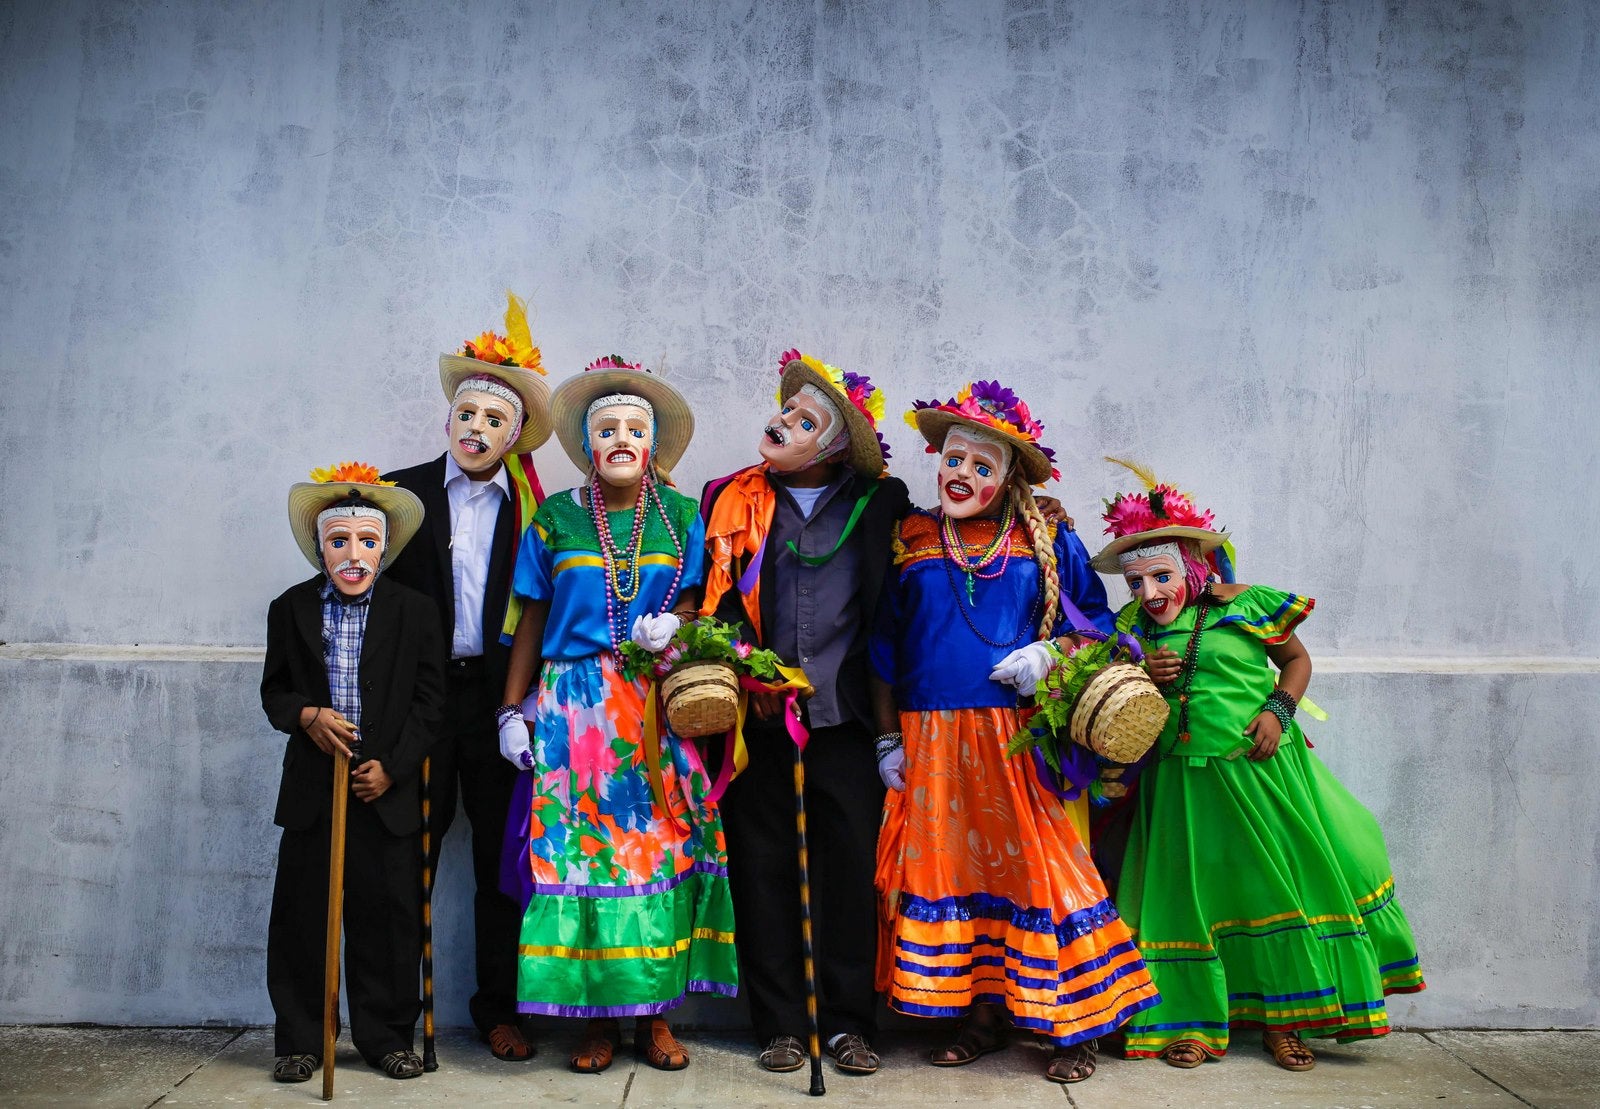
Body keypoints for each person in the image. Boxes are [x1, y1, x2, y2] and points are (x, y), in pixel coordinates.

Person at [870, 382, 1161, 1084]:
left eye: (982, 464)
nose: (961, 474)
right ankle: (982, 1017)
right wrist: (888, 740)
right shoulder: (910, 536)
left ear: (1007, 478)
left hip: (1016, 739)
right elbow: (883, 648)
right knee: (957, 876)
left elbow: (1096, 627)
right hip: (931, 740)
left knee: (1044, 873)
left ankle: (1082, 1021)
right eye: (953, 458)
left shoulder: (1047, 535)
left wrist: (1050, 654)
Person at [1090, 464, 1424, 1071]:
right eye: (1136, 583)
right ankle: (1192, 1021)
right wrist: (1142, 674)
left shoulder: (1247, 607)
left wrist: (1278, 711)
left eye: (1160, 576)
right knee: (1192, 897)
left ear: (1193, 566)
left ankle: (1288, 1022)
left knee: (1275, 888)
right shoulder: (1132, 629)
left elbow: (1296, 660)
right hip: (1180, 789)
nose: (1149, 594)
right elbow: (1117, 694)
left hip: (1256, 774)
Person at [496, 356, 734, 1073]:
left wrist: (678, 625)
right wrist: (513, 709)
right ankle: (594, 1021)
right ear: (589, 444)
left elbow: (696, 599)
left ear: (653, 441)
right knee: (579, 857)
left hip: (652, 707)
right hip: (572, 711)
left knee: (658, 851)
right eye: (607, 429)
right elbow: (533, 613)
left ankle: (654, 1017)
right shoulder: (556, 517)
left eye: (635, 427)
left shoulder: (684, 515)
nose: (621, 438)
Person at [699, 349, 908, 1076]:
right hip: (759, 720)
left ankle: (849, 1022)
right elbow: (716, 597)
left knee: (847, 872)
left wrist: (1041, 511)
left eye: (803, 418)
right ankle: (781, 1023)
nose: (781, 421)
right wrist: (743, 671)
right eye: (784, 410)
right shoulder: (730, 496)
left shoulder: (880, 502)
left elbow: (931, 550)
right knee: (763, 869)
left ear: (834, 443)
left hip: (846, 723)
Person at [383, 293, 550, 1062]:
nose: (478, 428)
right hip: (420, 702)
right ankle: (400, 1021)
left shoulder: (533, 509)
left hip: (496, 699)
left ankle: (497, 1009)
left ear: (513, 436)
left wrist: (525, 705)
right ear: (449, 418)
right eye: (468, 413)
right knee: (406, 855)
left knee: (500, 865)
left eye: (495, 419)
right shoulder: (401, 496)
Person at [260, 462, 443, 1082]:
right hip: (315, 792)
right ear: (320, 547)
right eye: (339, 540)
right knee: (303, 915)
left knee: (387, 915)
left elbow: (429, 703)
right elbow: (276, 694)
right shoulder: (289, 609)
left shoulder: (414, 612)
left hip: (382, 790)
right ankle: (302, 1038)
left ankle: (386, 1035)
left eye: (368, 541)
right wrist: (309, 715)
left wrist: (392, 768)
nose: (354, 553)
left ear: (386, 548)